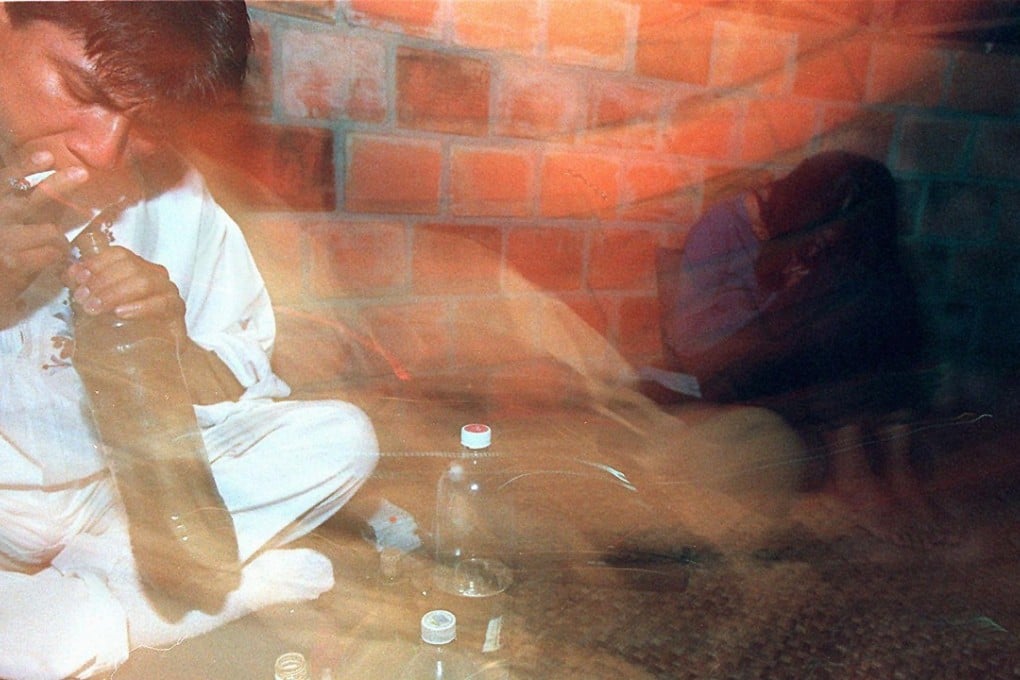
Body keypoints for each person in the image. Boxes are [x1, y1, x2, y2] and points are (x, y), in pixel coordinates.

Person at [0, 2, 378, 677]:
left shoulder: (172, 192)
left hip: (114, 502)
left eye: (145, 122)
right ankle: (139, 609)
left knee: (342, 438)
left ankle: (73, 610)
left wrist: (168, 340)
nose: (104, 147)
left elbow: (238, 385)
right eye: (85, 93)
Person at [654, 151, 937, 548]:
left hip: (795, 359)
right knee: (839, 300)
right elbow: (691, 339)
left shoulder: (826, 237)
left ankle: (897, 464)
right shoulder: (725, 225)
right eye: (832, 221)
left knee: (886, 282)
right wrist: (784, 301)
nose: (833, 236)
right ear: (807, 203)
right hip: (728, 368)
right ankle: (850, 472)